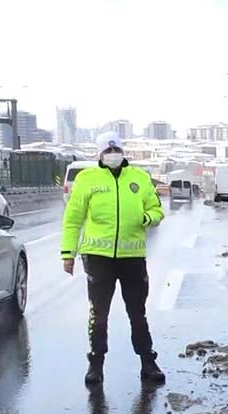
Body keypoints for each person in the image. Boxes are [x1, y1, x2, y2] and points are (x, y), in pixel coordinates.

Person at [62, 131, 166, 386]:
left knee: (137, 313)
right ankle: (96, 364)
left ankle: (148, 362)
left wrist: (148, 218)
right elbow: (73, 219)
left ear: (122, 152)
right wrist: (68, 253)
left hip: (132, 257)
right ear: (100, 154)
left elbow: (156, 209)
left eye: (115, 150)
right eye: (107, 152)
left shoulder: (139, 178)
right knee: (99, 313)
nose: (112, 155)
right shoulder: (87, 180)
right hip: (99, 258)